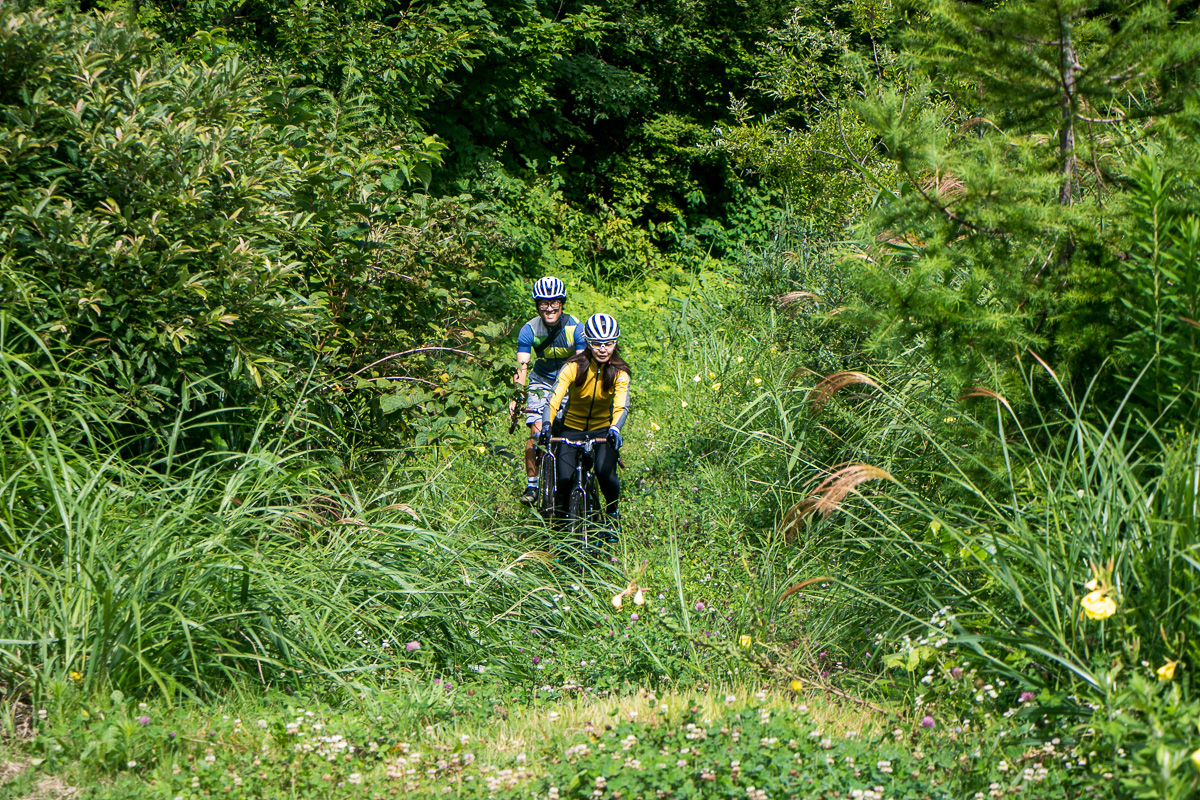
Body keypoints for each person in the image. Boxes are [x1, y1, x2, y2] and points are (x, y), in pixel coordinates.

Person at [540, 313, 631, 532]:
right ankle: (560, 533)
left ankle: (611, 515)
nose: (602, 349)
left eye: (608, 344)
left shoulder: (620, 372)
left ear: (615, 343)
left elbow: (621, 406)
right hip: (570, 429)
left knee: (605, 473)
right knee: (563, 479)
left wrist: (615, 429)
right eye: (597, 344)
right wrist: (546, 425)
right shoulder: (573, 367)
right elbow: (553, 401)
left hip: (602, 430)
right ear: (588, 344)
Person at [510, 276, 586, 504]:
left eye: (555, 303)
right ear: (537, 305)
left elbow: (582, 365)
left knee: (572, 430)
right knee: (536, 431)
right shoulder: (529, 329)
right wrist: (517, 395)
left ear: (562, 303)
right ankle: (532, 485)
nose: (549, 308)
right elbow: (522, 366)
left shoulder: (575, 327)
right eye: (544, 303)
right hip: (541, 380)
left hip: (569, 380)